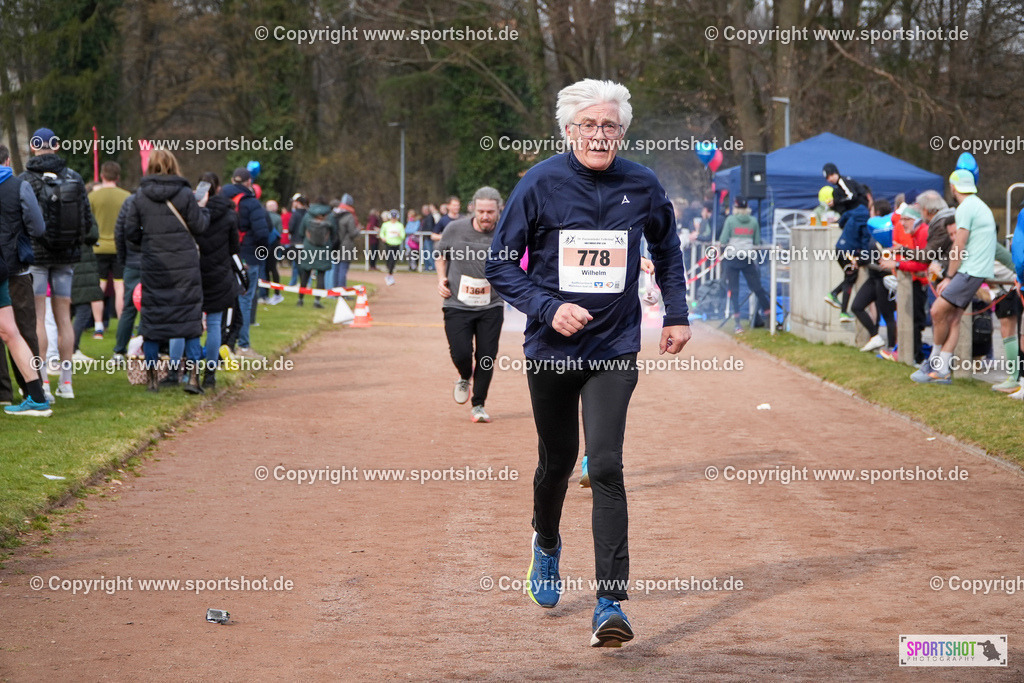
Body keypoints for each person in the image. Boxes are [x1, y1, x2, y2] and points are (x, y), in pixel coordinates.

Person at [486, 78, 690, 648]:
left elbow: (667, 249)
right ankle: (546, 544)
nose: (599, 135)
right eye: (589, 125)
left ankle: (610, 603)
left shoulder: (642, 183)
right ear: (569, 129)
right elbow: (501, 265)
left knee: (604, 465)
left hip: (615, 347)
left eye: (610, 126)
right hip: (552, 349)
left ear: (622, 132)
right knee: (557, 462)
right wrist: (548, 308)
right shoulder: (540, 182)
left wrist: (677, 313)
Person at [124, 149, 209, 393]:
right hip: (185, 266)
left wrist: (148, 243)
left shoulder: (140, 195)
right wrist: (204, 210)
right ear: (174, 165)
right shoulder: (184, 193)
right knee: (190, 322)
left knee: (151, 323)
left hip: (154, 265)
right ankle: (193, 378)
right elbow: (199, 227)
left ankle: (152, 379)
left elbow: (130, 232)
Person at [21, 128, 94, 401]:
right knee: (64, 317)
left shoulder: (26, 179)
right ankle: (67, 382)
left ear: (33, 147)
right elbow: (86, 220)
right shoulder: (74, 177)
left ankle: (43, 384)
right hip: (67, 256)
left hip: (37, 257)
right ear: (57, 146)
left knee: (39, 318)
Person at [911, 170, 997, 384]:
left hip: (970, 270)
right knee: (954, 319)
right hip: (975, 269)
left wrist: (949, 276)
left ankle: (933, 362)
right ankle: (941, 370)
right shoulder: (977, 205)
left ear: (953, 187)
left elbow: (959, 244)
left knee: (936, 310)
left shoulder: (966, 208)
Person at [437, 187, 505, 423]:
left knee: (487, 356)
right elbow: (440, 254)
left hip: (491, 305)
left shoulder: (506, 232)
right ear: (473, 209)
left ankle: (478, 404)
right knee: (462, 352)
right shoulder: (455, 229)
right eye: (481, 211)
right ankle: (465, 375)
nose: (485, 216)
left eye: (490, 212)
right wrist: (441, 279)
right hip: (457, 303)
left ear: (499, 210)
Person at [0, 144, 47, 408]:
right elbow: (38, 227)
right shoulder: (19, 186)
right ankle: (32, 389)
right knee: (24, 330)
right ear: (7, 161)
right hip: (17, 266)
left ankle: (2, 391)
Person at [193, 172, 239, 389]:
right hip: (219, 273)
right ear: (219, 188)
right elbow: (234, 249)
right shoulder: (229, 215)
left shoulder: (192, 212)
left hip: (195, 272)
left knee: (191, 325)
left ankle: (187, 373)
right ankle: (209, 375)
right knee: (214, 325)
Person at [221, 168, 268, 358]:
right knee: (245, 300)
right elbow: (262, 233)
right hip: (248, 256)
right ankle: (244, 346)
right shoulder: (252, 204)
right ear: (249, 182)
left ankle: (225, 344)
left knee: (225, 302)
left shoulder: (220, 200)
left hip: (224, 257)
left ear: (232, 180)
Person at [822, 163, 870, 323]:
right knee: (850, 277)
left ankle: (842, 309)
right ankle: (834, 296)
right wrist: (863, 256)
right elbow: (864, 239)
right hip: (848, 251)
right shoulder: (863, 216)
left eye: (830, 176)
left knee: (850, 276)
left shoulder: (845, 185)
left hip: (841, 248)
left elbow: (851, 197)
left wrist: (837, 205)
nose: (829, 180)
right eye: (827, 178)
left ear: (835, 173)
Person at [88, 161, 130, 333]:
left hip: (98, 248)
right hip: (120, 247)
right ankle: (122, 324)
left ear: (102, 176)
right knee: (120, 287)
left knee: (99, 286)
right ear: (118, 177)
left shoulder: (92, 197)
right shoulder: (126, 196)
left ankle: (98, 326)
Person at [851, 199, 896, 354]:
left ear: (877, 212)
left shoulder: (886, 229)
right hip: (873, 277)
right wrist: (859, 258)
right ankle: (875, 336)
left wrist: (862, 259)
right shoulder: (874, 229)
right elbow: (870, 254)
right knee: (857, 306)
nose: (869, 214)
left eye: (871, 211)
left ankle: (891, 349)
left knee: (887, 315)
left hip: (883, 277)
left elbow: (879, 255)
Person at [718, 196, 769, 333]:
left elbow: (723, 239)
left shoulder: (730, 220)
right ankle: (770, 318)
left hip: (732, 258)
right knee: (758, 288)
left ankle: (737, 324)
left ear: (735, 207)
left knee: (734, 291)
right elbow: (757, 241)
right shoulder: (753, 221)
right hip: (747, 258)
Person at [295, 198, 337, 308]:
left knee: (305, 274)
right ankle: (317, 302)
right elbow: (335, 234)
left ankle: (300, 300)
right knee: (321, 275)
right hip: (324, 248)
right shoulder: (329, 216)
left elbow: (301, 231)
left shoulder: (308, 215)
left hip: (309, 248)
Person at [331, 193, 360, 289]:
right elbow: (352, 233)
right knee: (343, 269)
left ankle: (335, 290)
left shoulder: (334, 214)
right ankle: (342, 291)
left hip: (335, 244)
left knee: (335, 269)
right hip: (345, 246)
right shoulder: (349, 216)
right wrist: (358, 230)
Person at [263, 199, 284, 304]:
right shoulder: (277, 217)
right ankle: (277, 293)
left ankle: (265, 294)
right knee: (273, 269)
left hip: (263, 245)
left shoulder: (262, 215)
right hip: (274, 244)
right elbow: (280, 231)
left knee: (265, 269)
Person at [378, 210, 405, 286]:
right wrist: (383, 238)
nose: (393, 219)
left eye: (395, 217)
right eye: (392, 217)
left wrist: (399, 234)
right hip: (388, 244)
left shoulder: (400, 225)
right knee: (390, 259)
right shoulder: (385, 225)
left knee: (394, 260)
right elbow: (382, 233)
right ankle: (389, 274)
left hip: (396, 244)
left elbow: (403, 235)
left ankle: (390, 275)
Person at [287, 194, 308, 286]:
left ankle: (300, 281)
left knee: (297, 264)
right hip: (306, 242)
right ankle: (305, 282)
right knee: (305, 264)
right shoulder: (308, 214)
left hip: (296, 242)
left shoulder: (295, 214)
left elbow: (290, 228)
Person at [419, 204, 438, 271]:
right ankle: (427, 267)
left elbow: (430, 227)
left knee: (429, 253)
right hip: (425, 238)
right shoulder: (426, 217)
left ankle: (433, 267)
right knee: (425, 253)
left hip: (429, 238)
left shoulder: (429, 217)